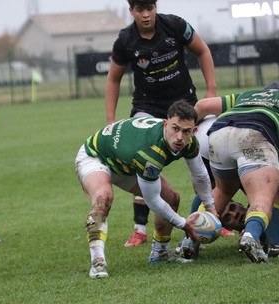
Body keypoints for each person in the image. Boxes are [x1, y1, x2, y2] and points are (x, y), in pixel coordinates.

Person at [105, 0, 217, 247]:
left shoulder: (175, 25)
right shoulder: (125, 40)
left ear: (156, 7)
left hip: (185, 105)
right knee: (144, 160)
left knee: (207, 150)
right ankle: (139, 230)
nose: (145, 15)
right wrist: (111, 121)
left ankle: (213, 216)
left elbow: (203, 51)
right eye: (139, 10)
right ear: (131, 11)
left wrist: (211, 90)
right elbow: (113, 79)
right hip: (147, 108)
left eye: (149, 8)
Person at [75, 101, 217, 278]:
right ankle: (98, 262)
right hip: (96, 156)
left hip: (127, 164)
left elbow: (200, 175)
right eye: (175, 128)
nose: (180, 136)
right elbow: (152, 201)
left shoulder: (189, 143)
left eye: (186, 131)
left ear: (194, 131)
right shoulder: (150, 151)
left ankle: (160, 254)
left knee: (171, 197)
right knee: (103, 197)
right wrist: (183, 224)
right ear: (165, 125)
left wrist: (211, 207)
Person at [194, 81, 279, 263]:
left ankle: (189, 240)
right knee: (265, 195)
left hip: (217, 134)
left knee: (222, 191)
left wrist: (186, 133)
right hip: (255, 132)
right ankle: (255, 237)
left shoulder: (248, 95)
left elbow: (202, 105)